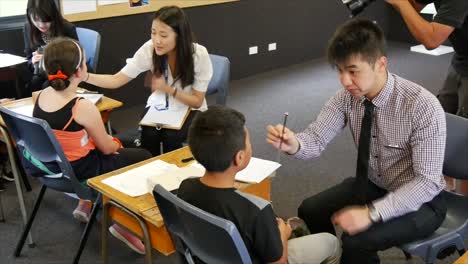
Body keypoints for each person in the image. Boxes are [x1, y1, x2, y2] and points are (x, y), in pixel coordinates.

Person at [266, 19, 447, 264]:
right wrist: (294, 144)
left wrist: (372, 213)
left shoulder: (421, 106)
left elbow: (426, 183)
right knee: (310, 209)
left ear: (381, 64)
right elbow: (316, 138)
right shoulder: (347, 98)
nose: (344, 80)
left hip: (424, 201)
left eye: (352, 71)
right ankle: (330, 256)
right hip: (375, 183)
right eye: (339, 71)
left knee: (356, 243)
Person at [32, 37, 152, 255]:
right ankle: (123, 223)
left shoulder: (40, 96)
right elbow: (106, 148)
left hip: (52, 168)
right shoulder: (82, 106)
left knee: (121, 143)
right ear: (80, 72)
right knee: (142, 155)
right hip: (81, 170)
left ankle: (87, 202)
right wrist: (115, 144)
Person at [178, 106, 341, 264]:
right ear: (239, 158)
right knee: (331, 243)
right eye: (249, 142)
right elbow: (278, 261)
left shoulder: (185, 188)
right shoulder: (257, 210)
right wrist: (282, 234)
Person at [84, 5, 213, 156]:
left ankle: (174, 174)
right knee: (149, 134)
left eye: (163, 35)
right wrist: (85, 76)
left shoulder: (198, 55)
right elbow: (116, 80)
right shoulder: (149, 49)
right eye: (153, 33)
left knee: (171, 136)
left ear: (179, 36)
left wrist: (168, 89)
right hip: (162, 106)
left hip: (191, 108)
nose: (157, 40)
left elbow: (197, 101)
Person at [385, 0, 468, 192]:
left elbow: (432, 40)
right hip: (461, 58)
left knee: (465, 140)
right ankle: (443, 188)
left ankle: (464, 207)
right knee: (441, 122)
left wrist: (401, 3)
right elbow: (415, 7)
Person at [23, 0, 78, 97]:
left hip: (64, 72)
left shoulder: (67, 28)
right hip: (42, 73)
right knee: (33, 84)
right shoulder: (28, 28)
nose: (41, 25)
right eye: (36, 20)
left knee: (47, 86)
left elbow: (76, 57)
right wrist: (32, 61)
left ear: (53, 15)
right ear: (29, 16)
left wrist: (51, 57)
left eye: (45, 20)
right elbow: (28, 57)